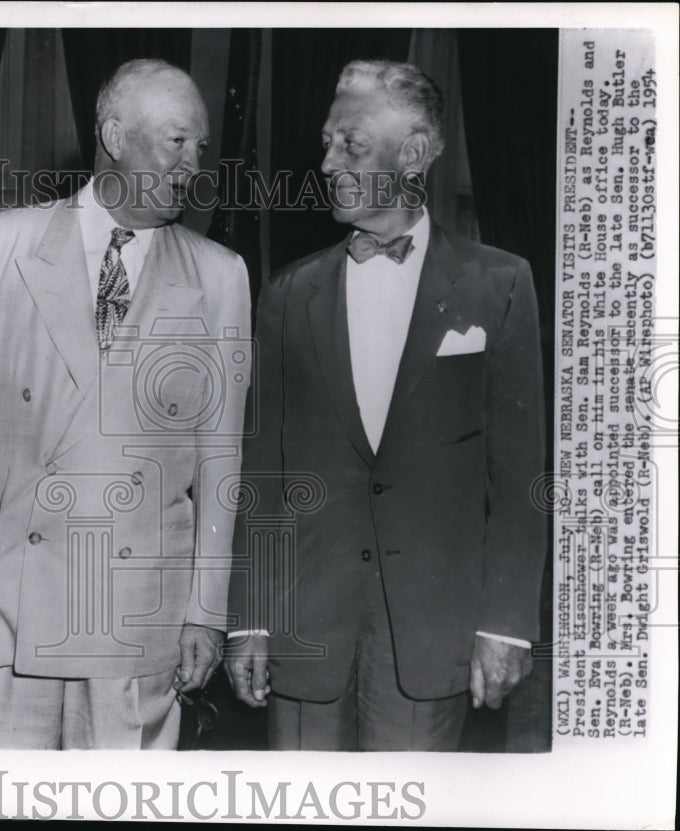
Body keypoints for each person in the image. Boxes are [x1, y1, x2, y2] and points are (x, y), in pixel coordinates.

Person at [225, 60, 546, 751]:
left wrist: (507, 624)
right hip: (304, 633)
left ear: (417, 152)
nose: (327, 161)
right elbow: (264, 473)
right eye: (325, 142)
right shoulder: (288, 293)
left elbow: (520, 481)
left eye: (352, 144)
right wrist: (248, 618)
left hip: (435, 638)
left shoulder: (501, 284)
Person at [0, 59, 251, 749]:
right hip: (10, 597)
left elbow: (222, 458)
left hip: (138, 615)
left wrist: (206, 611)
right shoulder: (1, 242)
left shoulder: (221, 275)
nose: (194, 163)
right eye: (177, 141)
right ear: (114, 134)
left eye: (200, 146)